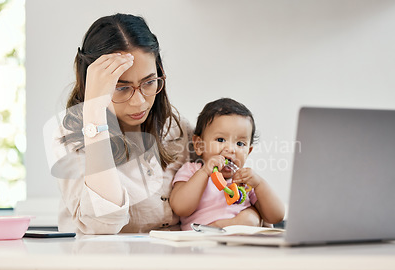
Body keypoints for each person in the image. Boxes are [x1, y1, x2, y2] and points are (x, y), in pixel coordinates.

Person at [51, 14, 262, 234]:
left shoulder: (178, 130)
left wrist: (252, 214)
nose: (139, 101)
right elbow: (102, 225)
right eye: (121, 87)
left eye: (149, 82)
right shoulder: (69, 138)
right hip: (107, 264)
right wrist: (94, 110)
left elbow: (221, 196)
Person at [170, 98, 285, 230]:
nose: (231, 149)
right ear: (199, 145)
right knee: (249, 220)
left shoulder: (245, 181)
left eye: (240, 144)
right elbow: (180, 208)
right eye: (220, 139)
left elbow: (277, 216)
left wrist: (259, 184)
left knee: (251, 220)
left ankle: (227, 227)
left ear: (248, 151)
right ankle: (218, 228)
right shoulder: (192, 170)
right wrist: (204, 172)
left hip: (241, 245)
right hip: (201, 243)